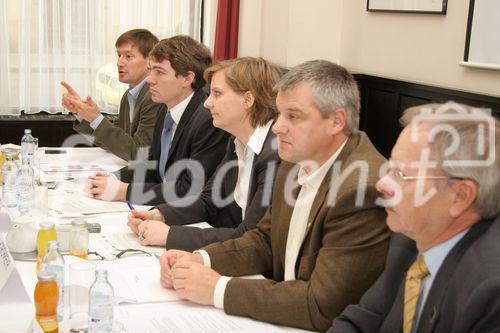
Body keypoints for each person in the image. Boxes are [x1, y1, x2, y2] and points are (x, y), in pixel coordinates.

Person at [158, 60, 391, 331]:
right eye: (279, 114)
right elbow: (264, 240)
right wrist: (200, 259)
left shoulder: (361, 190)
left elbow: (321, 306)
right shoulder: (295, 161)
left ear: (336, 121)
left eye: (293, 116)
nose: (278, 127)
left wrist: (217, 288)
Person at [329, 102, 500, 333]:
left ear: (460, 196)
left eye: (401, 174)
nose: (382, 183)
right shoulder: (410, 237)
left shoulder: (490, 291)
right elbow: (361, 322)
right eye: (390, 168)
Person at [127, 57, 282, 251]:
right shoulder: (237, 141)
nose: (207, 103)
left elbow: (251, 235)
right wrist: (160, 215)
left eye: (217, 94)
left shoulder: (275, 154)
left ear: (248, 100)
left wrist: (170, 235)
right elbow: (208, 200)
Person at [86, 35, 229, 205]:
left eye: (159, 72)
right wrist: (113, 177)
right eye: (151, 69)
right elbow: (153, 163)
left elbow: (188, 189)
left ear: (187, 79)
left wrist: (123, 191)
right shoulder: (165, 108)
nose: (150, 79)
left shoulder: (208, 120)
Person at [61, 28, 163, 161]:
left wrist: (95, 118)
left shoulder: (154, 96)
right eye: (119, 55)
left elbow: (139, 154)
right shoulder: (128, 95)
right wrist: (82, 113)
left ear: (150, 61)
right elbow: (118, 143)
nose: (119, 63)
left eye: (128, 56)